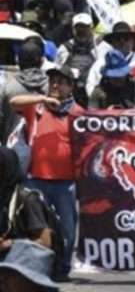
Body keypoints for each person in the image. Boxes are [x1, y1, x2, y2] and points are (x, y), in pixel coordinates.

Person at [9, 65, 83, 279]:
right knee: (36, 229)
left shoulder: (78, 113)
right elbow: (14, 102)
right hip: (35, 180)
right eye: (52, 81)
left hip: (66, 183)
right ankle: (36, 268)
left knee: (68, 230)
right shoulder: (38, 107)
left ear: (71, 87)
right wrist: (42, 99)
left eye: (61, 82)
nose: (55, 85)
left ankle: (62, 269)